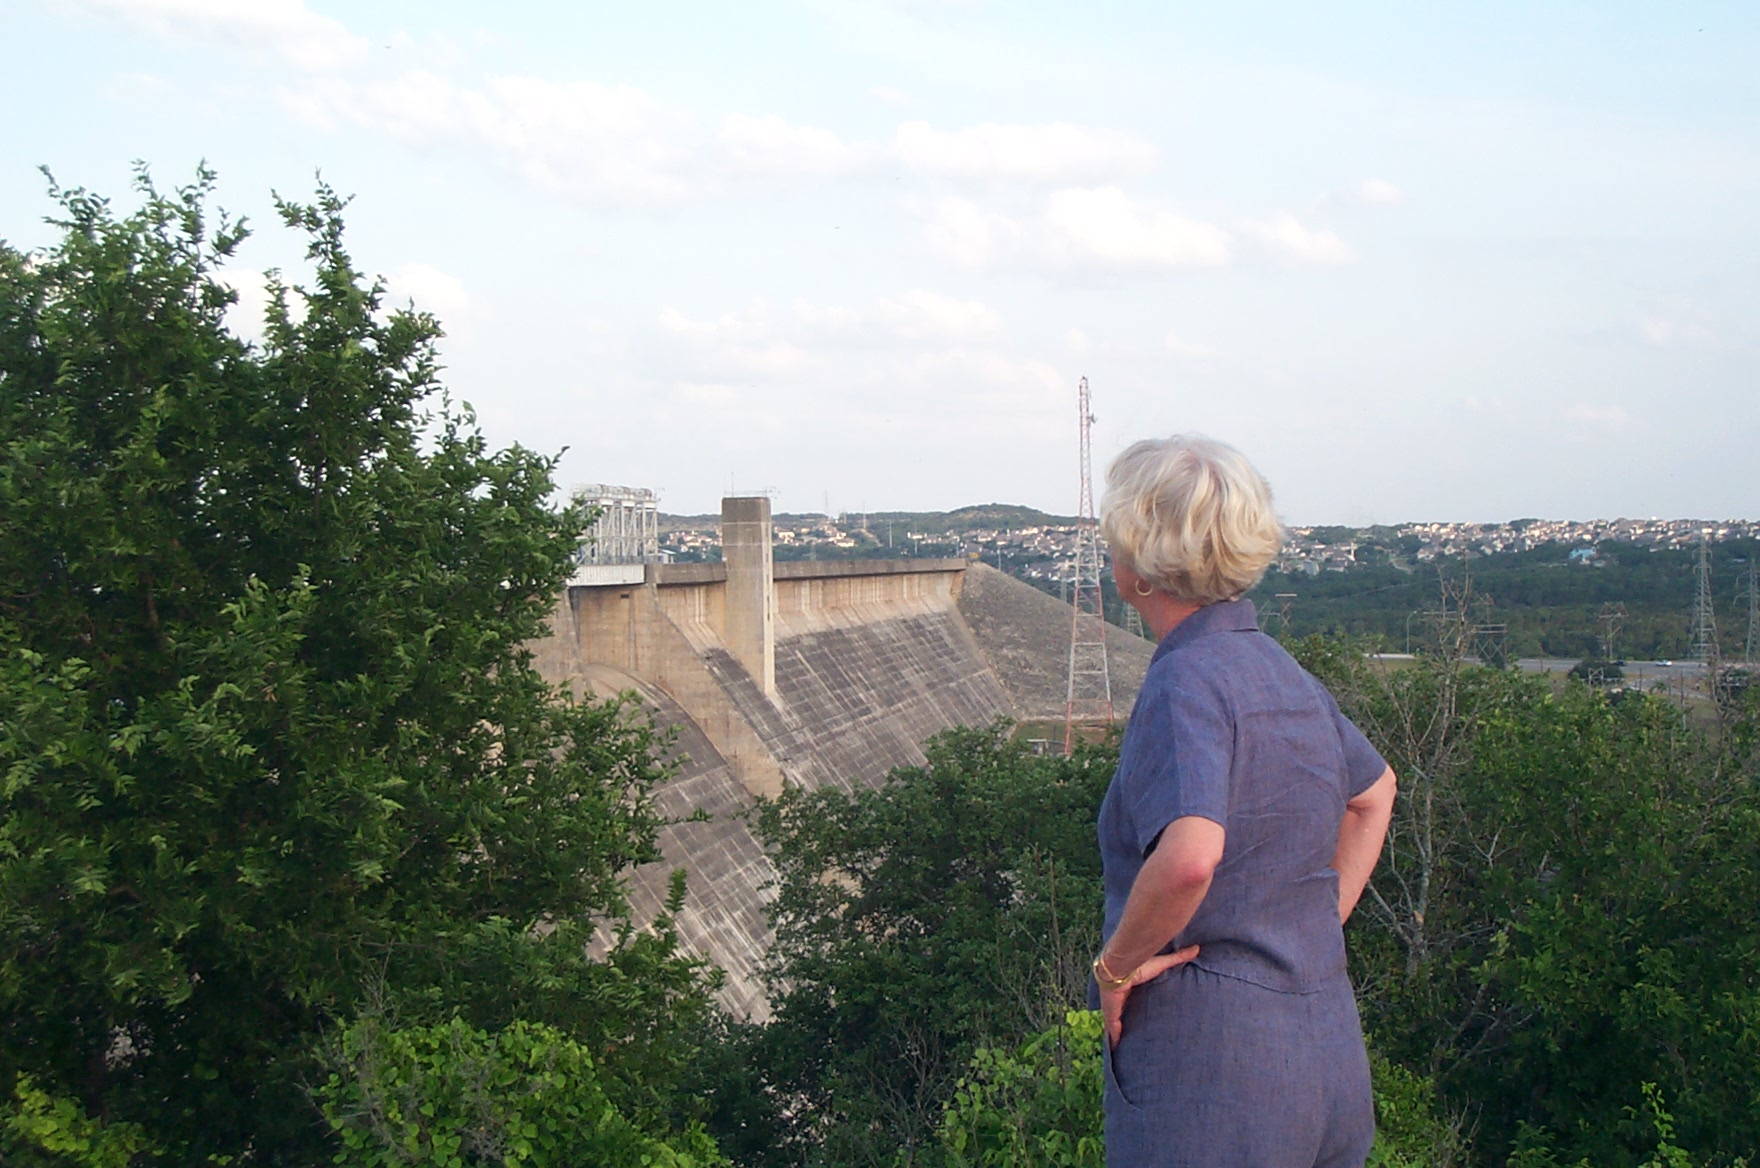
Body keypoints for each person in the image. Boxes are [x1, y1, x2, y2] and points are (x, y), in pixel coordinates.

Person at [1090, 434, 1397, 1168]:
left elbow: (1192, 855)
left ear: (1137, 567)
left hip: (1214, 1069)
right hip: (1326, 1055)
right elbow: (1375, 793)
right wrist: (1311, 924)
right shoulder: (1280, 670)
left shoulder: (1185, 679)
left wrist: (1116, 968)